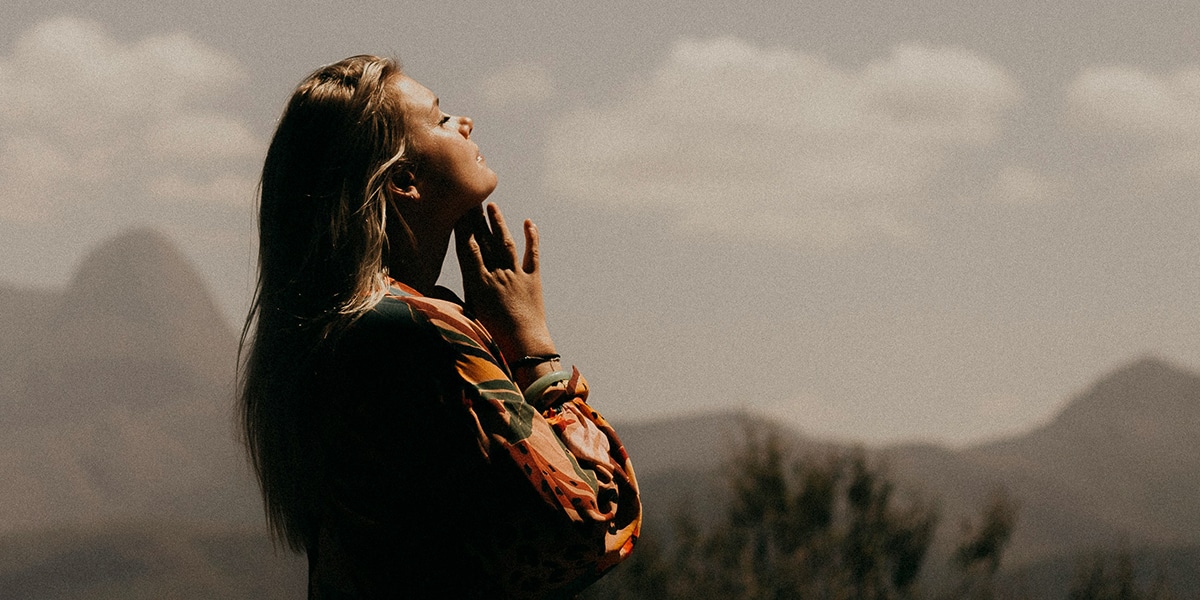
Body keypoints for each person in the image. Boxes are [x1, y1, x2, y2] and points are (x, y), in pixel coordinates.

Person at [238, 55, 641, 599]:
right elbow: (591, 532)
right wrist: (531, 351)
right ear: (404, 179)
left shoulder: (344, 332)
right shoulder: (415, 334)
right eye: (441, 118)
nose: (465, 121)